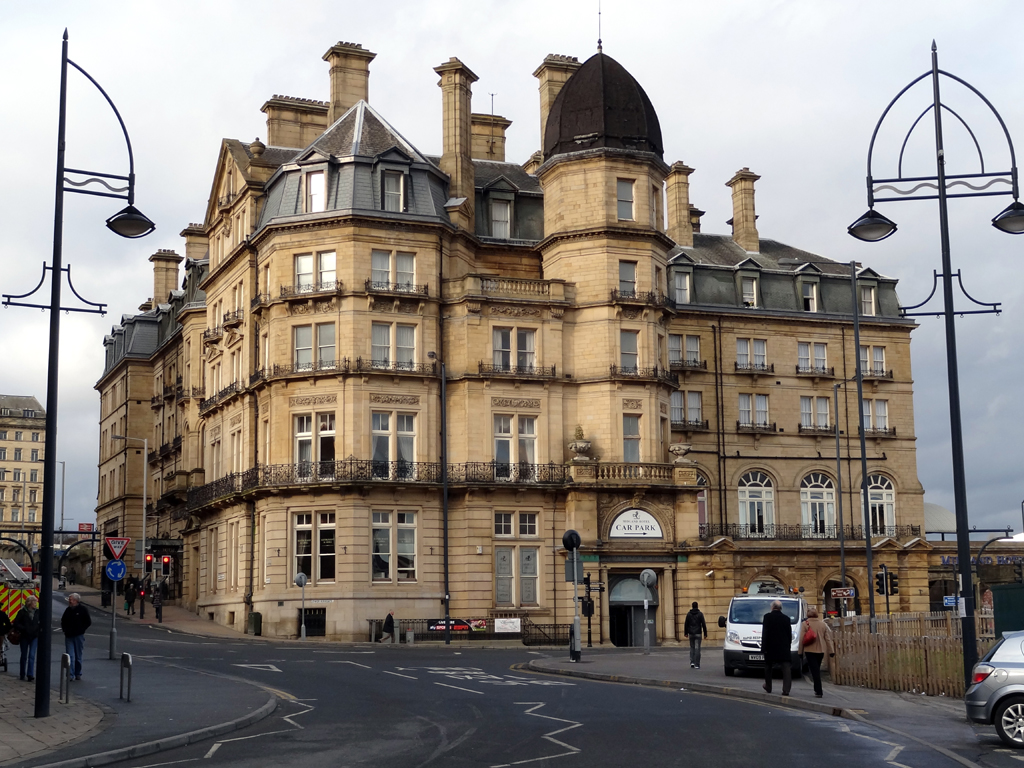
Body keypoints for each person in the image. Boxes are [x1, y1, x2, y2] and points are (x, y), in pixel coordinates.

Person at [798, 606, 835, 698]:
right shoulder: (823, 624)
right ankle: (817, 689)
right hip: (821, 650)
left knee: (814, 671)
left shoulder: (805, 624)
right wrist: (831, 651)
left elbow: (802, 638)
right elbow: (828, 639)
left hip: (809, 650)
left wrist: (800, 652)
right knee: (816, 669)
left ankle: (818, 690)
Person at [761, 599, 793, 696]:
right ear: (780, 608)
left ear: (772, 607)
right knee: (786, 668)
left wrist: (763, 648)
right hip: (783, 647)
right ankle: (786, 689)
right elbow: (789, 635)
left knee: (768, 667)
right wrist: (788, 646)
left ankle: (768, 686)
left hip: (770, 647)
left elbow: (765, 633)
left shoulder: (767, 617)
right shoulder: (786, 619)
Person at [62, 593, 92, 681]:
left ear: (76, 600)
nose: (69, 601)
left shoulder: (82, 609)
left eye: (70, 599)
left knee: (78, 656)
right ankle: (70, 674)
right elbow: (63, 621)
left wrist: (81, 630)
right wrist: (65, 630)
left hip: (79, 636)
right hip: (69, 636)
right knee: (70, 655)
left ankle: (77, 673)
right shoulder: (68, 610)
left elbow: (88, 621)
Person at [12, 595, 41, 681]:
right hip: (24, 636)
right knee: (24, 655)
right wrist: (24, 628)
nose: (36, 604)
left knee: (31, 655)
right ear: (29, 603)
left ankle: (30, 674)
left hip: (34, 636)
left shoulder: (38, 612)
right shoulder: (22, 612)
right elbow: (16, 623)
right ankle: (22, 674)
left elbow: (41, 622)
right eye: (34, 602)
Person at [683, 601, 708, 669]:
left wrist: (686, 633)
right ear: (697, 606)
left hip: (691, 633)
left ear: (692, 606)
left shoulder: (689, 614)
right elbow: (703, 624)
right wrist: (705, 633)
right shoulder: (700, 614)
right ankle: (697, 664)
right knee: (697, 649)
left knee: (692, 648)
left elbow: (686, 624)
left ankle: (692, 662)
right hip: (698, 633)